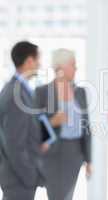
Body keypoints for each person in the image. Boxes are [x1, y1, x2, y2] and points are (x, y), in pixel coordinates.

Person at [35, 48, 92, 200]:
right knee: (56, 196)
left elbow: (86, 127)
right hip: (52, 154)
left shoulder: (80, 92)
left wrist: (89, 159)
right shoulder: (42, 91)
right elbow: (33, 127)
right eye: (73, 64)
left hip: (75, 154)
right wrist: (53, 121)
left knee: (67, 196)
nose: (76, 68)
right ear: (61, 66)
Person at [0, 41, 46, 200]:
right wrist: (30, 176)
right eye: (38, 60)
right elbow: (14, 144)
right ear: (29, 61)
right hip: (18, 178)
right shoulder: (15, 95)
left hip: (19, 176)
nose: (40, 65)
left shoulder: (21, 89)